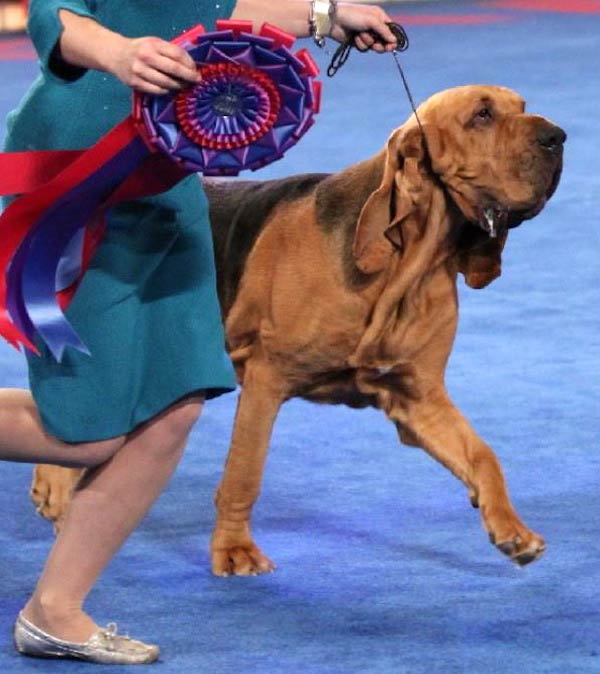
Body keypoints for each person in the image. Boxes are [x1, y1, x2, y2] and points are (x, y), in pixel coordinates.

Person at [0, 0, 397, 665]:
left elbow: (212, 6)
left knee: (175, 404)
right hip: (78, 177)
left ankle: (55, 610)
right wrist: (120, 53)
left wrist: (327, 15)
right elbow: (55, 17)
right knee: (90, 432)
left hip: (167, 170)